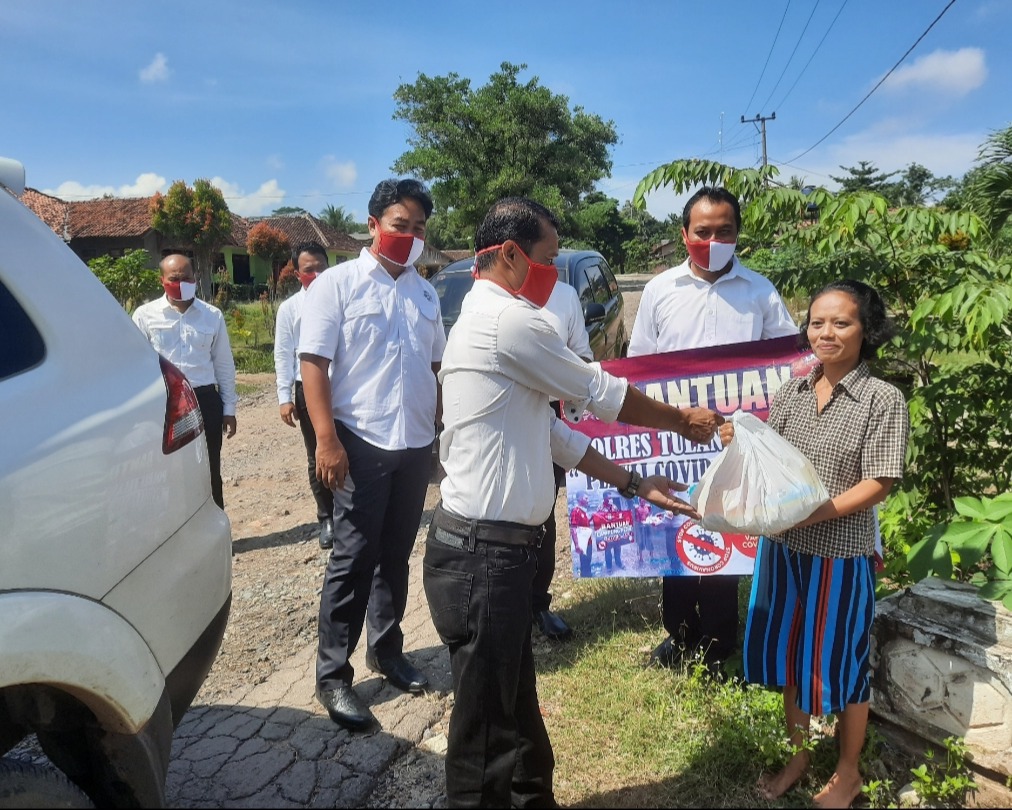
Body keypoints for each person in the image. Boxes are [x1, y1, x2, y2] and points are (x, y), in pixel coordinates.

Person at [423, 196, 724, 808]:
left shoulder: (494, 321)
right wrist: (680, 422)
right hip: (483, 557)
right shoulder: (508, 322)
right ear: (508, 255)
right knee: (485, 737)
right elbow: (601, 393)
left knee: (516, 710)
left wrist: (635, 483)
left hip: (497, 555)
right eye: (548, 260)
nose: (553, 275)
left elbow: (556, 436)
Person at [722, 279, 908, 808]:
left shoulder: (882, 399)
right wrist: (741, 439)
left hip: (841, 553)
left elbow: (881, 481)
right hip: (783, 549)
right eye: (817, 322)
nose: (825, 333)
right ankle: (799, 755)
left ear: (866, 331)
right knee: (788, 654)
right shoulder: (793, 391)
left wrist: (814, 513)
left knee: (842, 661)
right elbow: (770, 457)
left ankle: (847, 772)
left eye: (841, 322)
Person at [628, 186, 797, 671]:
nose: (713, 239)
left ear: (738, 234)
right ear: (684, 234)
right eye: (703, 232)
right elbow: (641, 368)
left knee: (728, 534)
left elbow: (784, 365)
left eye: (724, 231)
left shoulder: (761, 291)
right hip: (675, 436)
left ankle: (722, 641)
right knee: (676, 528)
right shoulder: (660, 291)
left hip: (737, 440)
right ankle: (678, 635)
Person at [298, 178, 445, 732]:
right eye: (399, 225)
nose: (408, 237)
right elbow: (313, 363)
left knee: (396, 554)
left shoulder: (424, 292)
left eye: (419, 229)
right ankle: (333, 675)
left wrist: (437, 431)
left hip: (412, 442)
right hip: (358, 440)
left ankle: (387, 651)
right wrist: (327, 441)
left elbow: (435, 368)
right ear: (373, 225)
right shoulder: (335, 286)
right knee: (352, 558)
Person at [133, 253, 237, 510]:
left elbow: (223, 365)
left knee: (209, 469)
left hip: (204, 401)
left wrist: (229, 410)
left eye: (187, 278)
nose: (181, 283)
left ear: (196, 278)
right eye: (174, 278)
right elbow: (136, 366)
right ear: (162, 281)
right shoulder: (145, 316)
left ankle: (215, 529)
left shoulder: (212, 316)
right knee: (167, 472)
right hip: (163, 404)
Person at [531, 279, 594, 641]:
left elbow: (582, 357)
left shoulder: (565, 296)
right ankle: (506, 606)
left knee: (542, 509)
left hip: (551, 410)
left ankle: (538, 604)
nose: (547, 266)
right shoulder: (489, 292)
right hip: (504, 413)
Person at [274, 241, 335, 550]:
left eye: (320, 267)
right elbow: (283, 354)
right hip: (308, 389)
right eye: (308, 270)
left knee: (353, 449)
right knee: (318, 455)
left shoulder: (343, 300)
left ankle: (351, 513)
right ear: (297, 273)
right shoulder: (289, 309)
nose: (316, 273)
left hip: (343, 385)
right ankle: (327, 517)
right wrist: (284, 397)